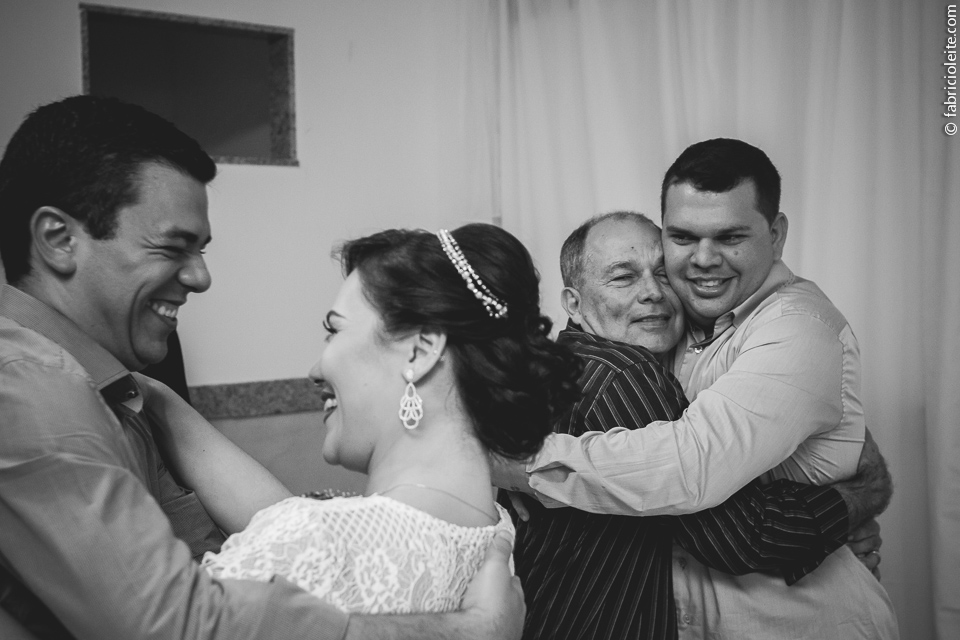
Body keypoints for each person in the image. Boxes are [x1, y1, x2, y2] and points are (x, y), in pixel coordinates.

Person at [0, 95, 524, 640]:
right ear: (59, 240)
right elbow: (180, 624)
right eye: (173, 247)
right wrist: (470, 632)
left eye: (201, 251)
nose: (201, 278)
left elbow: (304, 545)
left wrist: (164, 406)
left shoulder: (117, 390)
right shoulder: (28, 386)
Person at [497, 139, 898, 639]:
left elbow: (694, 467)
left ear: (776, 235)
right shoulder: (656, 336)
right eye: (684, 237)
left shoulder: (798, 328)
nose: (703, 260)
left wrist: (518, 466)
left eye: (730, 236)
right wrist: (851, 502)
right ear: (573, 303)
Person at [138, 223, 583, 615]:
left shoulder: (318, 544)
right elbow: (304, 529)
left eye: (334, 330)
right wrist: (159, 400)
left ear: (420, 351)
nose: (315, 369)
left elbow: (310, 543)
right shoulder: (489, 527)